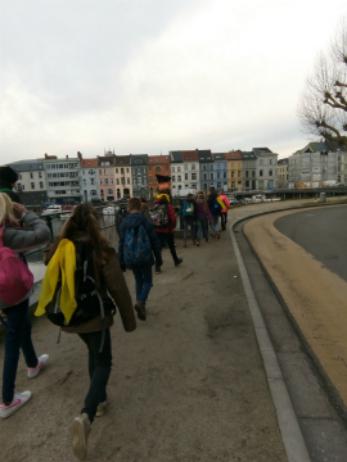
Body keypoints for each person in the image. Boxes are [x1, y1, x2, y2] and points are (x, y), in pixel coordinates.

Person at [36, 204, 136, 460]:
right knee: (103, 361)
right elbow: (119, 289)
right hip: (96, 316)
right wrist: (129, 321)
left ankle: (100, 401)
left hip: (71, 318)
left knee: (93, 351)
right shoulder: (101, 251)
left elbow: (47, 263)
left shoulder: (60, 247)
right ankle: (86, 415)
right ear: (94, 223)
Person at [0, 193, 51, 419]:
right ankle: (7, 399)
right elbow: (44, 235)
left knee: (22, 326)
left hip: (2, 294)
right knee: (13, 339)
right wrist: (25, 213)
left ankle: (32, 363)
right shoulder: (7, 235)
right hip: (13, 295)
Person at [118, 198, 162, 321]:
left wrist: (120, 260)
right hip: (145, 256)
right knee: (148, 281)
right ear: (140, 207)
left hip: (131, 257)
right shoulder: (145, 221)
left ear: (129, 207)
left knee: (138, 280)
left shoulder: (124, 223)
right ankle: (141, 302)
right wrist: (158, 257)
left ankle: (140, 305)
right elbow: (154, 240)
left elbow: (121, 243)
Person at [152, 193, 182, 270]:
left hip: (158, 230)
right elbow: (173, 218)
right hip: (167, 229)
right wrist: (172, 227)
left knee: (159, 248)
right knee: (171, 246)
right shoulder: (169, 206)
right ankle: (176, 260)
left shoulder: (156, 206)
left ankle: (157, 266)